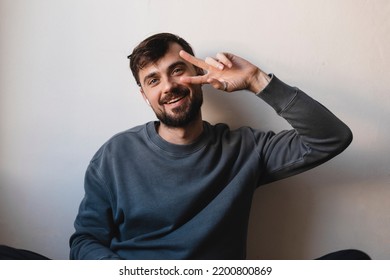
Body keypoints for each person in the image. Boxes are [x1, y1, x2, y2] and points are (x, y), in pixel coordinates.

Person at [69, 32, 358, 260]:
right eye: (153, 80)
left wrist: (257, 81)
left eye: (177, 70)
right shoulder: (114, 155)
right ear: (144, 95)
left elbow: (331, 138)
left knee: (352, 261)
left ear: (199, 76)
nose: (168, 86)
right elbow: (85, 240)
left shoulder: (246, 149)